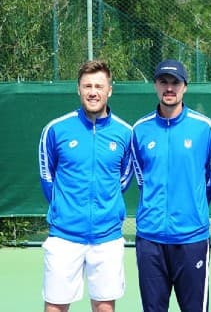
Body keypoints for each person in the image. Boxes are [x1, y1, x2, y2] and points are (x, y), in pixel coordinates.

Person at [38, 60, 133, 312]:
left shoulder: (125, 133)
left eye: (99, 86)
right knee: (55, 307)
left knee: (104, 307)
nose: (93, 92)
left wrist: (104, 206)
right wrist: (65, 209)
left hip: (107, 237)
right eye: (87, 86)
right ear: (78, 89)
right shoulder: (56, 129)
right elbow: (47, 178)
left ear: (109, 90)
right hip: (64, 236)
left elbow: (123, 179)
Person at [131, 59, 211, 312]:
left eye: (175, 82)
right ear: (155, 86)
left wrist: (191, 209)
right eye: (163, 82)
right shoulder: (139, 130)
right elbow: (140, 178)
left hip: (192, 239)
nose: (169, 88)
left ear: (185, 87)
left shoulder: (204, 128)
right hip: (150, 240)